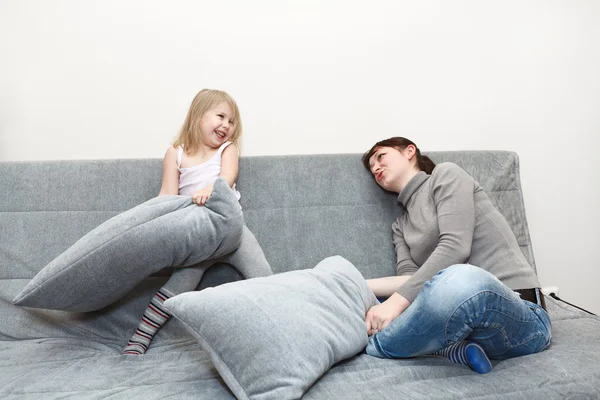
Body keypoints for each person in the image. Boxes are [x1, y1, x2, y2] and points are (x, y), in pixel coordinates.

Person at [362, 137, 551, 374]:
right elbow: (411, 282)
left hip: (519, 314)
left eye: (380, 156)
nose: (376, 167)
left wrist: (394, 305)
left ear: (409, 151)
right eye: (372, 168)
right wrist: (358, 286)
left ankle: (373, 345)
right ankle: (452, 349)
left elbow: (456, 247)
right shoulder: (400, 226)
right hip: (462, 322)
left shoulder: (446, 174)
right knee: (370, 300)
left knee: (462, 279)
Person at [122, 89, 243, 355]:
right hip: (199, 236)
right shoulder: (175, 153)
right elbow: (166, 195)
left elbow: (228, 177)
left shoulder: (227, 149)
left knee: (263, 277)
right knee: (175, 288)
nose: (226, 125)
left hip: (231, 230)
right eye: (221, 116)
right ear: (199, 115)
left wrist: (211, 189)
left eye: (231, 121)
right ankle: (141, 336)